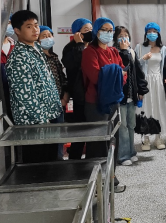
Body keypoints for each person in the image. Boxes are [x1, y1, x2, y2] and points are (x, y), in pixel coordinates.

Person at [5, 10, 63, 164]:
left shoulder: (36, 48)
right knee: (39, 164)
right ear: (17, 31)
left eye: (36, 25)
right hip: (35, 124)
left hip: (49, 117)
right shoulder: (19, 56)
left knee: (52, 162)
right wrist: (43, 121)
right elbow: (25, 95)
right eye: (29, 26)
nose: (35, 30)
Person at [81, 17, 126, 159]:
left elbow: (124, 75)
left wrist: (114, 73)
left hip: (113, 100)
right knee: (98, 142)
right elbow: (95, 77)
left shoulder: (114, 51)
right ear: (96, 31)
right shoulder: (90, 52)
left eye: (110, 30)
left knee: (114, 138)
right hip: (96, 102)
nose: (108, 33)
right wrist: (117, 73)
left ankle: (111, 170)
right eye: (104, 30)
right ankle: (97, 170)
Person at [113, 26, 148, 166]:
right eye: (120, 36)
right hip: (120, 96)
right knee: (122, 126)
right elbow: (123, 68)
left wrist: (141, 90)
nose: (124, 38)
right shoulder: (114, 52)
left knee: (131, 125)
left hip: (132, 95)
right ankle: (123, 155)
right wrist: (123, 51)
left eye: (126, 35)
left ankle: (131, 152)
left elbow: (138, 72)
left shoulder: (132, 52)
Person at [134, 22, 166, 151]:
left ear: (158, 33)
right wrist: (143, 58)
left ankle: (158, 137)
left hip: (158, 81)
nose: (152, 34)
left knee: (159, 107)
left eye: (155, 31)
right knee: (146, 108)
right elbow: (134, 65)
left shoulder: (163, 49)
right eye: (149, 31)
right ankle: (145, 138)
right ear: (146, 33)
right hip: (145, 81)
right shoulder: (139, 47)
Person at [62, 18, 92, 160]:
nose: (90, 32)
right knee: (80, 130)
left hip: (93, 93)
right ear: (77, 33)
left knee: (94, 129)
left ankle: (92, 159)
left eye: (91, 29)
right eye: (86, 30)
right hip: (80, 95)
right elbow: (79, 63)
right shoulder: (70, 48)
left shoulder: (93, 46)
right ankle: (75, 159)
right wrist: (79, 44)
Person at [39, 25, 69, 158]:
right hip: (45, 105)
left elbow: (62, 79)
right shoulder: (38, 58)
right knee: (48, 137)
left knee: (59, 134)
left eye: (49, 35)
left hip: (59, 102)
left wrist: (65, 97)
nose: (47, 38)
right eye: (44, 36)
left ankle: (59, 159)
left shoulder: (54, 57)